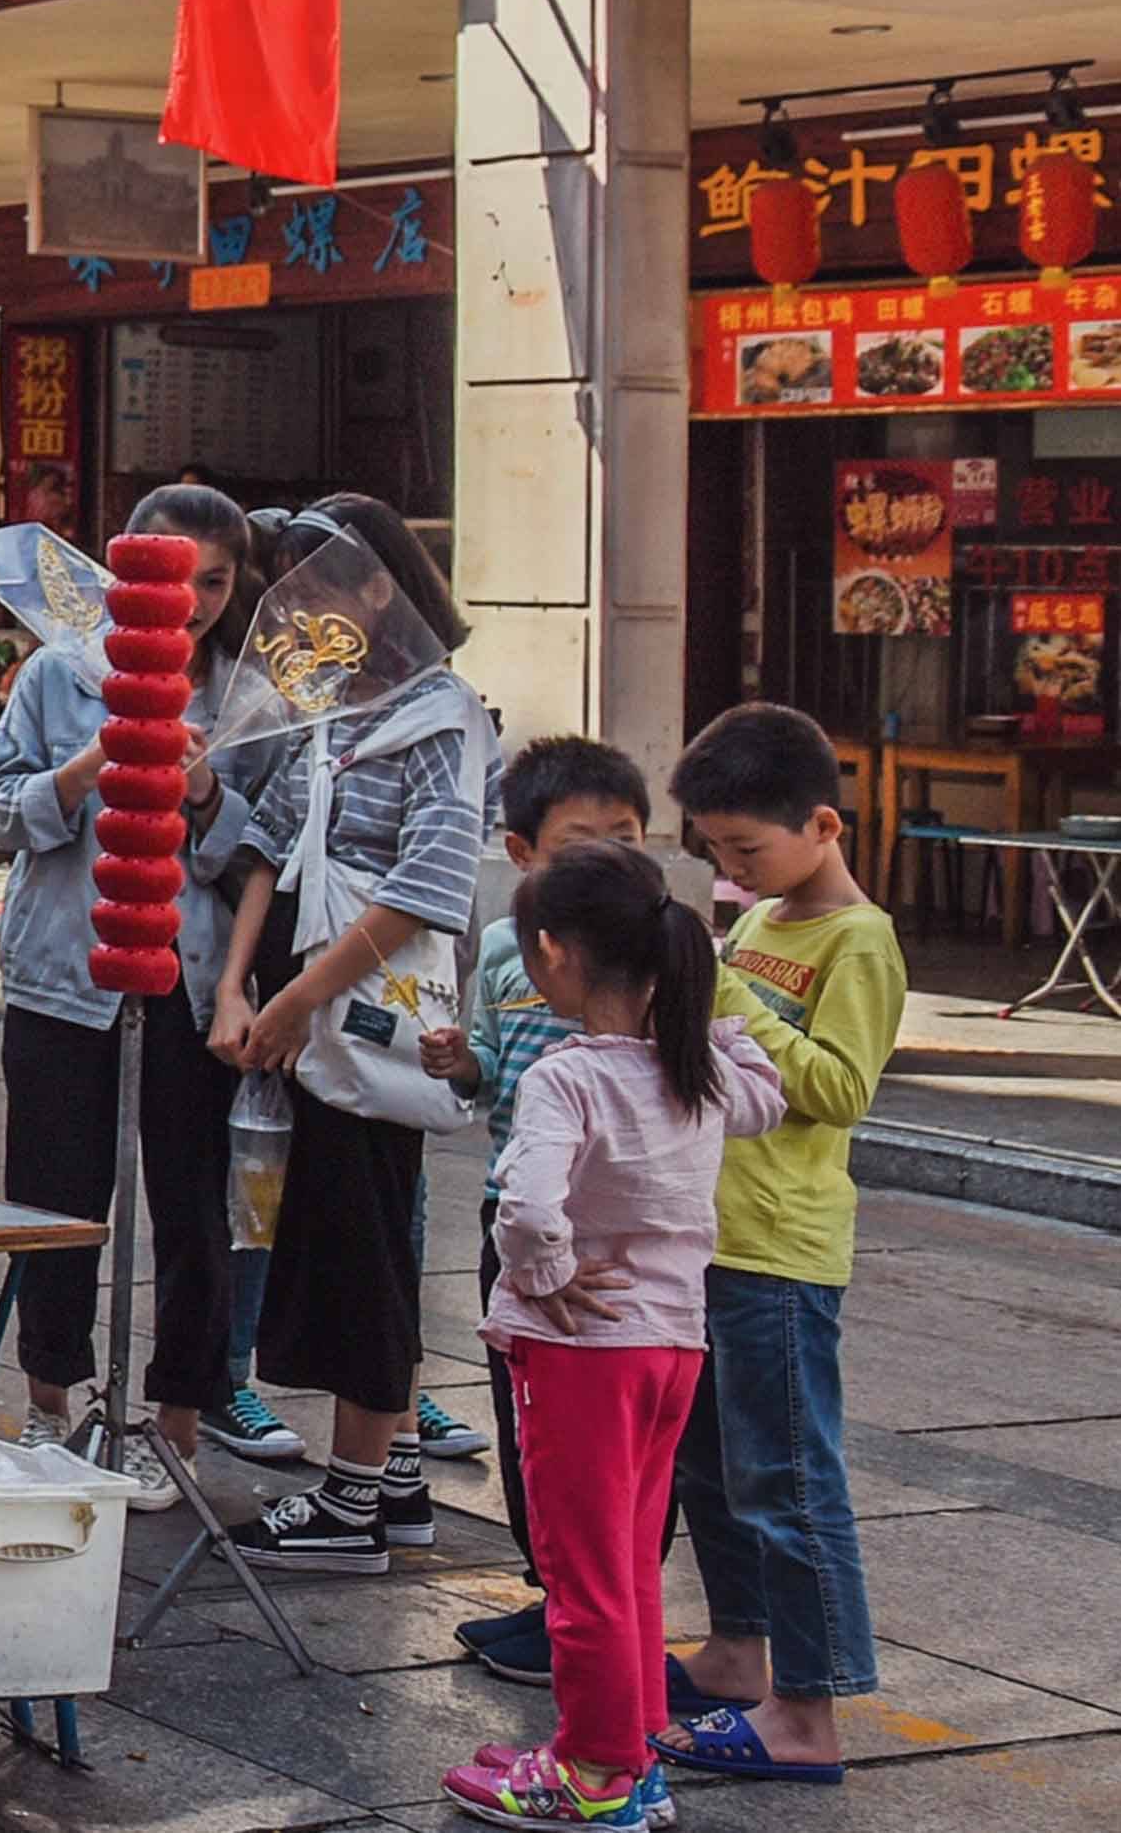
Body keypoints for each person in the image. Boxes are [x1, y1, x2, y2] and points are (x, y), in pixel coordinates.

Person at [439, 840, 787, 1832]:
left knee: (581, 1571)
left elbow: (525, 1202)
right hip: (673, 1346)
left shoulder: (566, 1078)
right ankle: (629, 1758)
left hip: (583, 1353)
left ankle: (592, 1771)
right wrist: (709, 1000)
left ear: (550, 954)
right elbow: (766, 1087)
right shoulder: (698, 1071)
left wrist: (543, 1278)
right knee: (628, 1562)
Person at [212, 493, 498, 1574]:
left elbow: (424, 890)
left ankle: (351, 1505)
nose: (301, 612)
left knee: (366, 1259)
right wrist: (241, 987)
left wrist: (291, 1001)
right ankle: (398, 1489)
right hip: (303, 1029)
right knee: (332, 1250)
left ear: (379, 589)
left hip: (369, 1032)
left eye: (319, 587)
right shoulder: (330, 713)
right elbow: (266, 854)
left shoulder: (442, 717)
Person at [0, 481, 262, 1506]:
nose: (196, 600)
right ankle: (51, 1405)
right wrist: (92, 765)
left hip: (184, 984)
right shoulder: (59, 675)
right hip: (62, 974)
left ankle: (172, 1422)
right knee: (53, 1201)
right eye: (180, 574)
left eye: (217, 580)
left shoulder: (243, 696)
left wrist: (206, 793)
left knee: (189, 1209)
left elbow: (264, 855)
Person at [649, 702, 904, 1789]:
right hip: (711, 1235)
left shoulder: (858, 939)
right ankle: (735, 1651)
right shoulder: (756, 924)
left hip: (782, 1253)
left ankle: (808, 1709)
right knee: (710, 1469)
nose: (734, 872)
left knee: (787, 1480)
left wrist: (731, 990)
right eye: (715, 853)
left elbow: (841, 1091)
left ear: (822, 825)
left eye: (746, 849)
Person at [429, 737, 659, 1686]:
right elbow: (489, 1068)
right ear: (522, 852)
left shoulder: (660, 945)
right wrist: (461, 1061)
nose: (608, 857)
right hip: (513, 1210)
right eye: (579, 842)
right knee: (526, 1420)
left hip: (611, 1225)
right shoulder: (501, 945)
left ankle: (611, 1600)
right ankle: (553, 1593)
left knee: (620, 1443)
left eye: (627, 838)